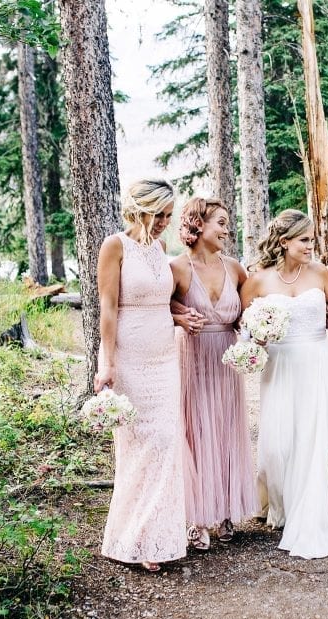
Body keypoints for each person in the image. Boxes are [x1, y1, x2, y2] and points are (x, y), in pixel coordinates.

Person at [240, 209, 328, 559]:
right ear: (284, 242)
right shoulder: (258, 281)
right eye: (304, 240)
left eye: (312, 239)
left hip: (317, 361)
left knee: (312, 438)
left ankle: (309, 508)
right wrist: (256, 339)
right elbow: (245, 325)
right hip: (280, 366)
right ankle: (280, 502)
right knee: (278, 442)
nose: (311, 246)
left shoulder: (319, 272)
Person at [94, 178, 186, 572]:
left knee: (166, 440)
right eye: (160, 213)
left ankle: (158, 538)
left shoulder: (161, 247)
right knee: (137, 446)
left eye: (169, 214)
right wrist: (107, 362)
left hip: (165, 356)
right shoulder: (114, 246)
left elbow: (162, 302)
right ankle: (132, 537)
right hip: (130, 356)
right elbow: (108, 307)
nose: (166, 221)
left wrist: (183, 316)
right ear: (141, 208)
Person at [170, 197, 256, 550]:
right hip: (193, 357)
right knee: (196, 429)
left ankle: (224, 510)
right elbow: (157, 306)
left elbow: (247, 313)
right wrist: (178, 315)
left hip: (227, 356)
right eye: (220, 222)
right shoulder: (177, 268)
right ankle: (196, 516)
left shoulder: (235, 268)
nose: (226, 229)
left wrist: (255, 332)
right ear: (198, 225)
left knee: (225, 428)